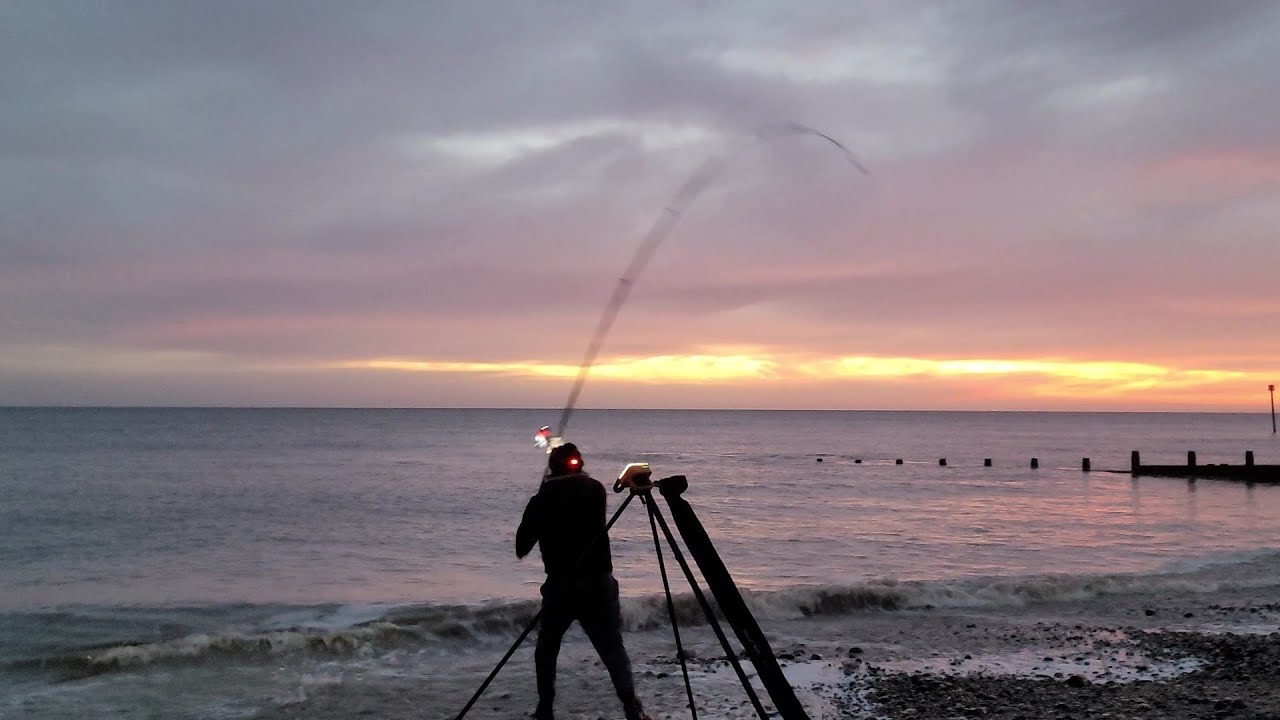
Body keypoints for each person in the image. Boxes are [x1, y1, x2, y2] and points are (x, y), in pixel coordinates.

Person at [516, 443, 651, 720]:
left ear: (553, 467)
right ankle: (632, 709)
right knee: (613, 649)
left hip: (561, 588)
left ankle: (545, 709)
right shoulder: (596, 491)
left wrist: (541, 496)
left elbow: (522, 546)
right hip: (598, 583)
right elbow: (576, 491)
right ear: (578, 464)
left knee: (547, 650)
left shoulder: (542, 500)